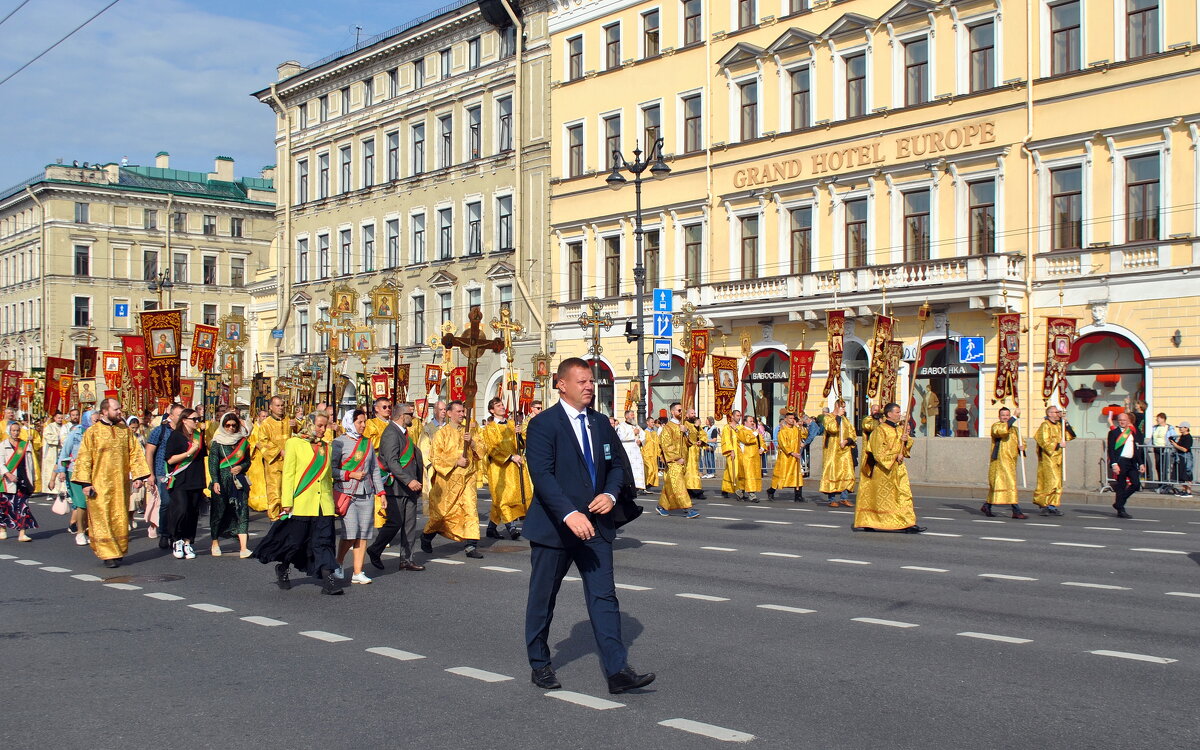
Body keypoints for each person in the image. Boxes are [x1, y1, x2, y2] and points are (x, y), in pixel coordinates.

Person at [523, 357, 654, 695]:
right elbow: (543, 476)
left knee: (604, 597)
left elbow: (615, 466)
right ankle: (540, 663)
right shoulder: (543, 425)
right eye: (581, 381)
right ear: (561, 384)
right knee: (543, 597)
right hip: (556, 528)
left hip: (597, 526)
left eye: (591, 381)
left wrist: (610, 494)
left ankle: (617, 670)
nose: (588, 386)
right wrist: (570, 513)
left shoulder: (600, 423)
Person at [252, 413, 342, 595]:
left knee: (324, 541)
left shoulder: (326, 447)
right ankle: (283, 567)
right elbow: (289, 474)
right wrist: (287, 502)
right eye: (319, 426)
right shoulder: (294, 443)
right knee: (295, 542)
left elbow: (327, 478)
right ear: (309, 425)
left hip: (323, 504)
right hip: (301, 501)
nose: (323, 430)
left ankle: (328, 580)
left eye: (325, 426)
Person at [70, 398, 151, 568]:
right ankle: (107, 554)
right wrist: (85, 483)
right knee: (102, 518)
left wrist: (137, 477)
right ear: (105, 412)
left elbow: (135, 453)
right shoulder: (92, 432)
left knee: (120, 516)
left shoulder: (125, 431)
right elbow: (84, 458)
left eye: (120, 409)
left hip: (121, 484)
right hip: (99, 484)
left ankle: (119, 549)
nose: (120, 412)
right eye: (116, 409)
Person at [421, 400, 486, 558]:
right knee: (441, 514)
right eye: (458, 411)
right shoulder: (441, 434)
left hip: (468, 478)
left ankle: (471, 545)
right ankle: (427, 536)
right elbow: (435, 457)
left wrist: (471, 442)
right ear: (449, 413)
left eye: (463, 411)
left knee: (471, 509)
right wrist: (455, 462)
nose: (462, 414)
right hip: (448, 480)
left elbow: (483, 450)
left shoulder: (469, 432)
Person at [367, 401, 426, 572]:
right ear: (402, 416)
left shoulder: (404, 432)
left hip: (410, 486)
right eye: (410, 414)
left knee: (409, 525)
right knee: (395, 522)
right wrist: (409, 480)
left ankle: (407, 559)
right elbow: (392, 462)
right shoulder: (391, 433)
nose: (413, 417)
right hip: (396, 486)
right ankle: (375, 549)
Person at [853, 403, 925, 533]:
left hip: (899, 469)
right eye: (897, 412)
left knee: (904, 495)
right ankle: (870, 520)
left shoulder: (899, 429)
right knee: (883, 499)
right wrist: (894, 456)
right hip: (884, 471)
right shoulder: (879, 431)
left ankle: (908, 522)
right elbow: (877, 452)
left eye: (899, 412)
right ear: (889, 414)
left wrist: (906, 440)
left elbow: (906, 445)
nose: (899, 414)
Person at [332, 410, 380, 585]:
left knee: (364, 533)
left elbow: (374, 469)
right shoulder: (338, 443)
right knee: (350, 533)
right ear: (350, 422)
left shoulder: (367, 443)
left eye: (364, 422)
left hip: (366, 493)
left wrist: (380, 493)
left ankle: (358, 571)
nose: (363, 425)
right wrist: (350, 474)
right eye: (359, 422)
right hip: (347, 493)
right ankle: (338, 561)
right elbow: (332, 470)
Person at [481, 398, 531, 540]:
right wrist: (510, 457)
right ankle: (511, 527)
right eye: (498, 406)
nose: (502, 407)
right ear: (492, 410)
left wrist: (520, 434)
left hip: (515, 468)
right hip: (499, 467)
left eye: (502, 405)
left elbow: (521, 445)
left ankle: (491, 528)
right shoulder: (490, 428)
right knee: (502, 498)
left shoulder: (512, 424)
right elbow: (492, 449)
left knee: (514, 496)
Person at [208, 412, 252, 558]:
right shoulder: (217, 443)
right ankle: (215, 542)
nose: (231, 428)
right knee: (219, 512)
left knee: (242, 511)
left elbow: (247, 461)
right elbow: (213, 464)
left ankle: (244, 547)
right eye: (228, 425)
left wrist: (241, 467)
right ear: (223, 425)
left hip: (238, 481)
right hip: (221, 481)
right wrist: (215, 481)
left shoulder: (243, 442)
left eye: (234, 425)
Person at [164, 409, 207, 560]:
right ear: (184, 420)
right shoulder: (176, 436)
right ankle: (177, 539)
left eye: (198, 419)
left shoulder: (198, 436)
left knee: (192, 512)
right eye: (194, 419)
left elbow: (202, 459)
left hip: (196, 480)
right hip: (180, 480)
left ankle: (188, 541)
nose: (197, 421)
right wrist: (189, 452)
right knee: (181, 509)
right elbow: (170, 459)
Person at [144, 404, 183, 546]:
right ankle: (164, 533)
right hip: (163, 472)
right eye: (179, 415)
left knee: (179, 505)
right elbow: (149, 452)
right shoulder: (159, 431)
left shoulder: (186, 432)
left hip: (180, 472)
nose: (181, 418)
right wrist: (151, 474)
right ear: (171, 415)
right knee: (166, 502)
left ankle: (176, 534)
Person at [982, 407, 1028, 519]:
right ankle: (1016, 510)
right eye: (1003, 415)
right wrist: (1014, 417)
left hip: (1011, 462)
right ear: (999, 416)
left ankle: (987, 505)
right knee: (1004, 485)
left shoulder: (1015, 430)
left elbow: (1021, 441)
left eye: (1007, 415)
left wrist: (1021, 447)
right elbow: (1001, 431)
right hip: (999, 461)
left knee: (1007, 485)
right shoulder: (996, 426)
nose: (1005, 417)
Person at [249, 396, 291, 520]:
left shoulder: (289, 420)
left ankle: (288, 518)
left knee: (288, 492)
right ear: (271, 407)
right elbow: (262, 442)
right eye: (277, 406)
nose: (281, 408)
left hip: (290, 462)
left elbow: (302, 433)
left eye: (282, 405)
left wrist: (296, 427)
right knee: (275, 492)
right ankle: (275, 518)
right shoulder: (266, 424)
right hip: (274, 463)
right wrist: (279, 451)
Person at [656, 402, 698, 518]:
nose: (681, 412)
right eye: (679, 410)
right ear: (672, 412)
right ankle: (688, 508)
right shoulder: (667, 428)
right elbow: (666, 445)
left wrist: (686, 431)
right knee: (678, 484)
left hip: (683, 460)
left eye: (682, 410)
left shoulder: (684, 426)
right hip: (673, 461)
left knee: (671, 484)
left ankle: (662, 506)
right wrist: (676, 458)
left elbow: (692, 441)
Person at [1033, 406, 1076, 515]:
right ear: (1050, 414)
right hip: (1049, 458)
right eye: (1056, 412)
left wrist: (1065, 423)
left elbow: (1070, 435)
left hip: (1058, 458)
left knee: (1058, 483)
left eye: (1059, 412)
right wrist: (1057, 445)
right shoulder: (1045, 425)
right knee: (1051, 482)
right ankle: (1044, 504)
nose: (1058, 414)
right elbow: (1043, 441)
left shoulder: (1059, 425)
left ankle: (1052, 505)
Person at [0, 421, 37, 542]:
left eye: (17, 430)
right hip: (7, 481)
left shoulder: (25, 445)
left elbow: (31, 464)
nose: (15, 433)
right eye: (13, 430)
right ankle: (2, 529)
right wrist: (8, 474)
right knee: (5, 506)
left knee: (23, 507)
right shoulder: (3, 445)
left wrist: (33, 480)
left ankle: (22, 533)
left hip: (23, 480)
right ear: (9, 431)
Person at [57, 412, 90, 545]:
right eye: (93, 419)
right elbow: (65, 452)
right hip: (75, 470)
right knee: (81, 502)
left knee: (91, 503)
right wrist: (61, 470)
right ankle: (80, 532)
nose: (96, 421)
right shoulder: (75, 432)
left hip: (93, 472)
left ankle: (88, 529)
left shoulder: (99, 433)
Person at [1107, 411, 1145, 519]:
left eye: (1124, 420)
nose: (1122, 422)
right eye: (1120, 420)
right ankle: (1121, 509)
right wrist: (1114, 464)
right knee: (1121, 486)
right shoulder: (1113, 433)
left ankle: (1119, 502)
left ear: (1128, 421)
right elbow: (1111, 450)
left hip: (1131, 461)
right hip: (1120, 462)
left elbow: (1136, 449)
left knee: (1136, 484)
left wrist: (1141, 463)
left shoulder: (1132, 432)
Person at [819, 400, 857, 507]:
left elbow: (852, 433)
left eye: (844, 407)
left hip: (844, 451)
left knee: (847, 472)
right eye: (842, 407)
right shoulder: (828, 417)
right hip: (832, 451)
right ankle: (831, 499)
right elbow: (832, 429)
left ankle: (844, 498)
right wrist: (838, 418)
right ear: (836, 406)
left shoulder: (845, 420)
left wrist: (847, 441)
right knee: (832, 472)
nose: (844, 409)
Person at [768, 412, 806, 502]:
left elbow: (804, 434)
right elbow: (783, 444)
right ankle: (771, 491)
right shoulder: (782, 431)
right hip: (786, 457)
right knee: (781, 475)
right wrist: (792, 452)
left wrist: (801, 426)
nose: (792, 420)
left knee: (797, 475)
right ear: (786, 419)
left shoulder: (796, 429)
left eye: (793, 418)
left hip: (795, 457)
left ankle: (798, 495)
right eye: (790, 418)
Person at [720, 410, 749, 500]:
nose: (739, 417)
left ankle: (726, 489)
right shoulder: (727, 427)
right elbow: (726, 440)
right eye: (737, 415)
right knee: (734, 470)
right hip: (732, 452)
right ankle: (738, 490)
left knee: (738, 470)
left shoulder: (741, 427)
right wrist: (731, 451)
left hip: (741, 452)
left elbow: (744, 438)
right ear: (732, 416)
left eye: (740, 415)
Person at [616, 409, 646, 494]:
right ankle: (629, 486)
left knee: (637, 468)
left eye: (633, 415)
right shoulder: (621, 426)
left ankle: (638, 486)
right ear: (626, 416)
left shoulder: (636, 425)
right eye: (632, 415)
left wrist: (640, 440)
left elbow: (643, 434)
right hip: (627, 449)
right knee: (629, 467)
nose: (633, 416)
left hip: (636, 449)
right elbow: (620, 436)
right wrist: (633, 433)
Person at [1148, 412, 1179, 493]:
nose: (1157, 420)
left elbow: (1173, 437)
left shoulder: (1169, 428)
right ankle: (1160, 483)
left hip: (1165, 449)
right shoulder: (1156, 428)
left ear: (1163, 419)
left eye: (1158, 418)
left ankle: (1164, 483)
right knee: (1158, 466)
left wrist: (1171, 445)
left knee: (1164, 466)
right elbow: (1152, 438)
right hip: (1157, 448)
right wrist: (1149, 446)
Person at [740, 415, 766, 502]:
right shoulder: (742, 431)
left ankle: (741, 491)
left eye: (753, 421)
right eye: (750, 421)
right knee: (749, 475)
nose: (752, 423)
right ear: (745, 422)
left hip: (756, 457)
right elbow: (746, 440)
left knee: (753, 475)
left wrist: (762, 448)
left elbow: (761, 441)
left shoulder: (755, 431)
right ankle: (752, 494)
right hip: (747, 457)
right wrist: (754, 434)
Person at [41, 411, 67, 494]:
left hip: (62, 450)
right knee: (51, 470)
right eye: (58, 418)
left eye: (61, 418)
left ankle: (61, 490)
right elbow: (47, 436)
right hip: (52, 451)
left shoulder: (65, 427)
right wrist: (59, 439)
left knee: (61, 469)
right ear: (54, 418)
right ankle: (50, 490)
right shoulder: (50, 427)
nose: (60, 419)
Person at [684, 410, 706, 500]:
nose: (694, 415)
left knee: (695, 470)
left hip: (695, 451)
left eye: (694, 413)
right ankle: (694, 490)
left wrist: (701, 440)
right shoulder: (685, 423)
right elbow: (686, 435)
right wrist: (695, 427)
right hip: (688, 450)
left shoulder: (696, 424)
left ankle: (692, 489)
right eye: (692, 413)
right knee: (690, 471)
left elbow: (703, 434)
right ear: (687, 415)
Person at [1169, 422, 1192, 497]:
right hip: (1180, 457)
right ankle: (1184, 490)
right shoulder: (1182, 436)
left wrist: (1176, 445)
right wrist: (1174, 443)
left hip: (1186, 457)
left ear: (1186, 428)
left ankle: (1188, 491)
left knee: (1187, 474)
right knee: (1181, 474)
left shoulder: (1188, 437)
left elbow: (1185, 449)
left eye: (1181, 427)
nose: (1180, 429)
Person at [641, 420, 660, 492]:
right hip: (646, 454)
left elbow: (657, 443)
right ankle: (645, 484)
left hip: (653, 454)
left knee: (653, 470)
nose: (653, 424)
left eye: (653, 422)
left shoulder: (654, 433)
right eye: (651, 422)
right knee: (649, 469)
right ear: (647, 423)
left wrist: (659, 454)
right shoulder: (644, 432)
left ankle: (648, 485)